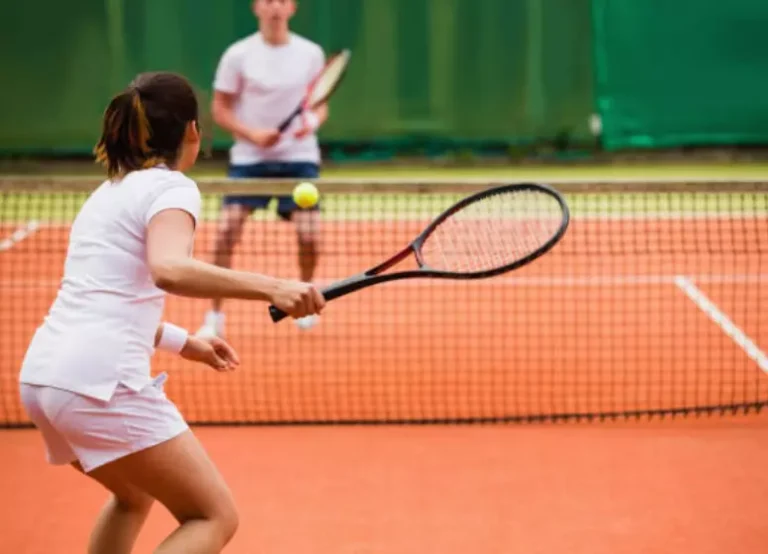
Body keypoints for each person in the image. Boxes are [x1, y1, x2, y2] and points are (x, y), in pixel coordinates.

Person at [17, 71, 325, 554]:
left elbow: (107, 299)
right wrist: (275, 286)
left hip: (44, 380)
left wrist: (185, 342)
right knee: (212, 516)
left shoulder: (108, 192)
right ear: (192, 131)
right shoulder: (172, 188)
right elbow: (169, 269)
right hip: (100, 385)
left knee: (132, 496)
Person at [196, 0, 328, 337]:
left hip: (299, 160)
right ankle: (214, 316)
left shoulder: (311, 53)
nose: (275, 8)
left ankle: (304, 299)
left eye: (282, 1)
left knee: (310, 236)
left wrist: (311, 123)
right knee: (225, 233)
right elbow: (220, 108)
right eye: (268, 1)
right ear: (257, 7)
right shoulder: (238, 55)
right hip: (249, 161)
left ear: (292, 8)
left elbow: (319, 104)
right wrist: (252, 134)